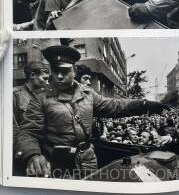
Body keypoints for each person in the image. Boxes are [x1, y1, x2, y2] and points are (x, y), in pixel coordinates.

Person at [16, 45, 169, 179]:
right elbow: (28, 132)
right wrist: (33, 155)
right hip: (58, 165)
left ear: (74, 71)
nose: (59, 76)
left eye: (64, 71)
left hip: (88, 161)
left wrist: (144, 104)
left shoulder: (89, 94)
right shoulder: (40, 98)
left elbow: (116, 106)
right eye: (55, 71)